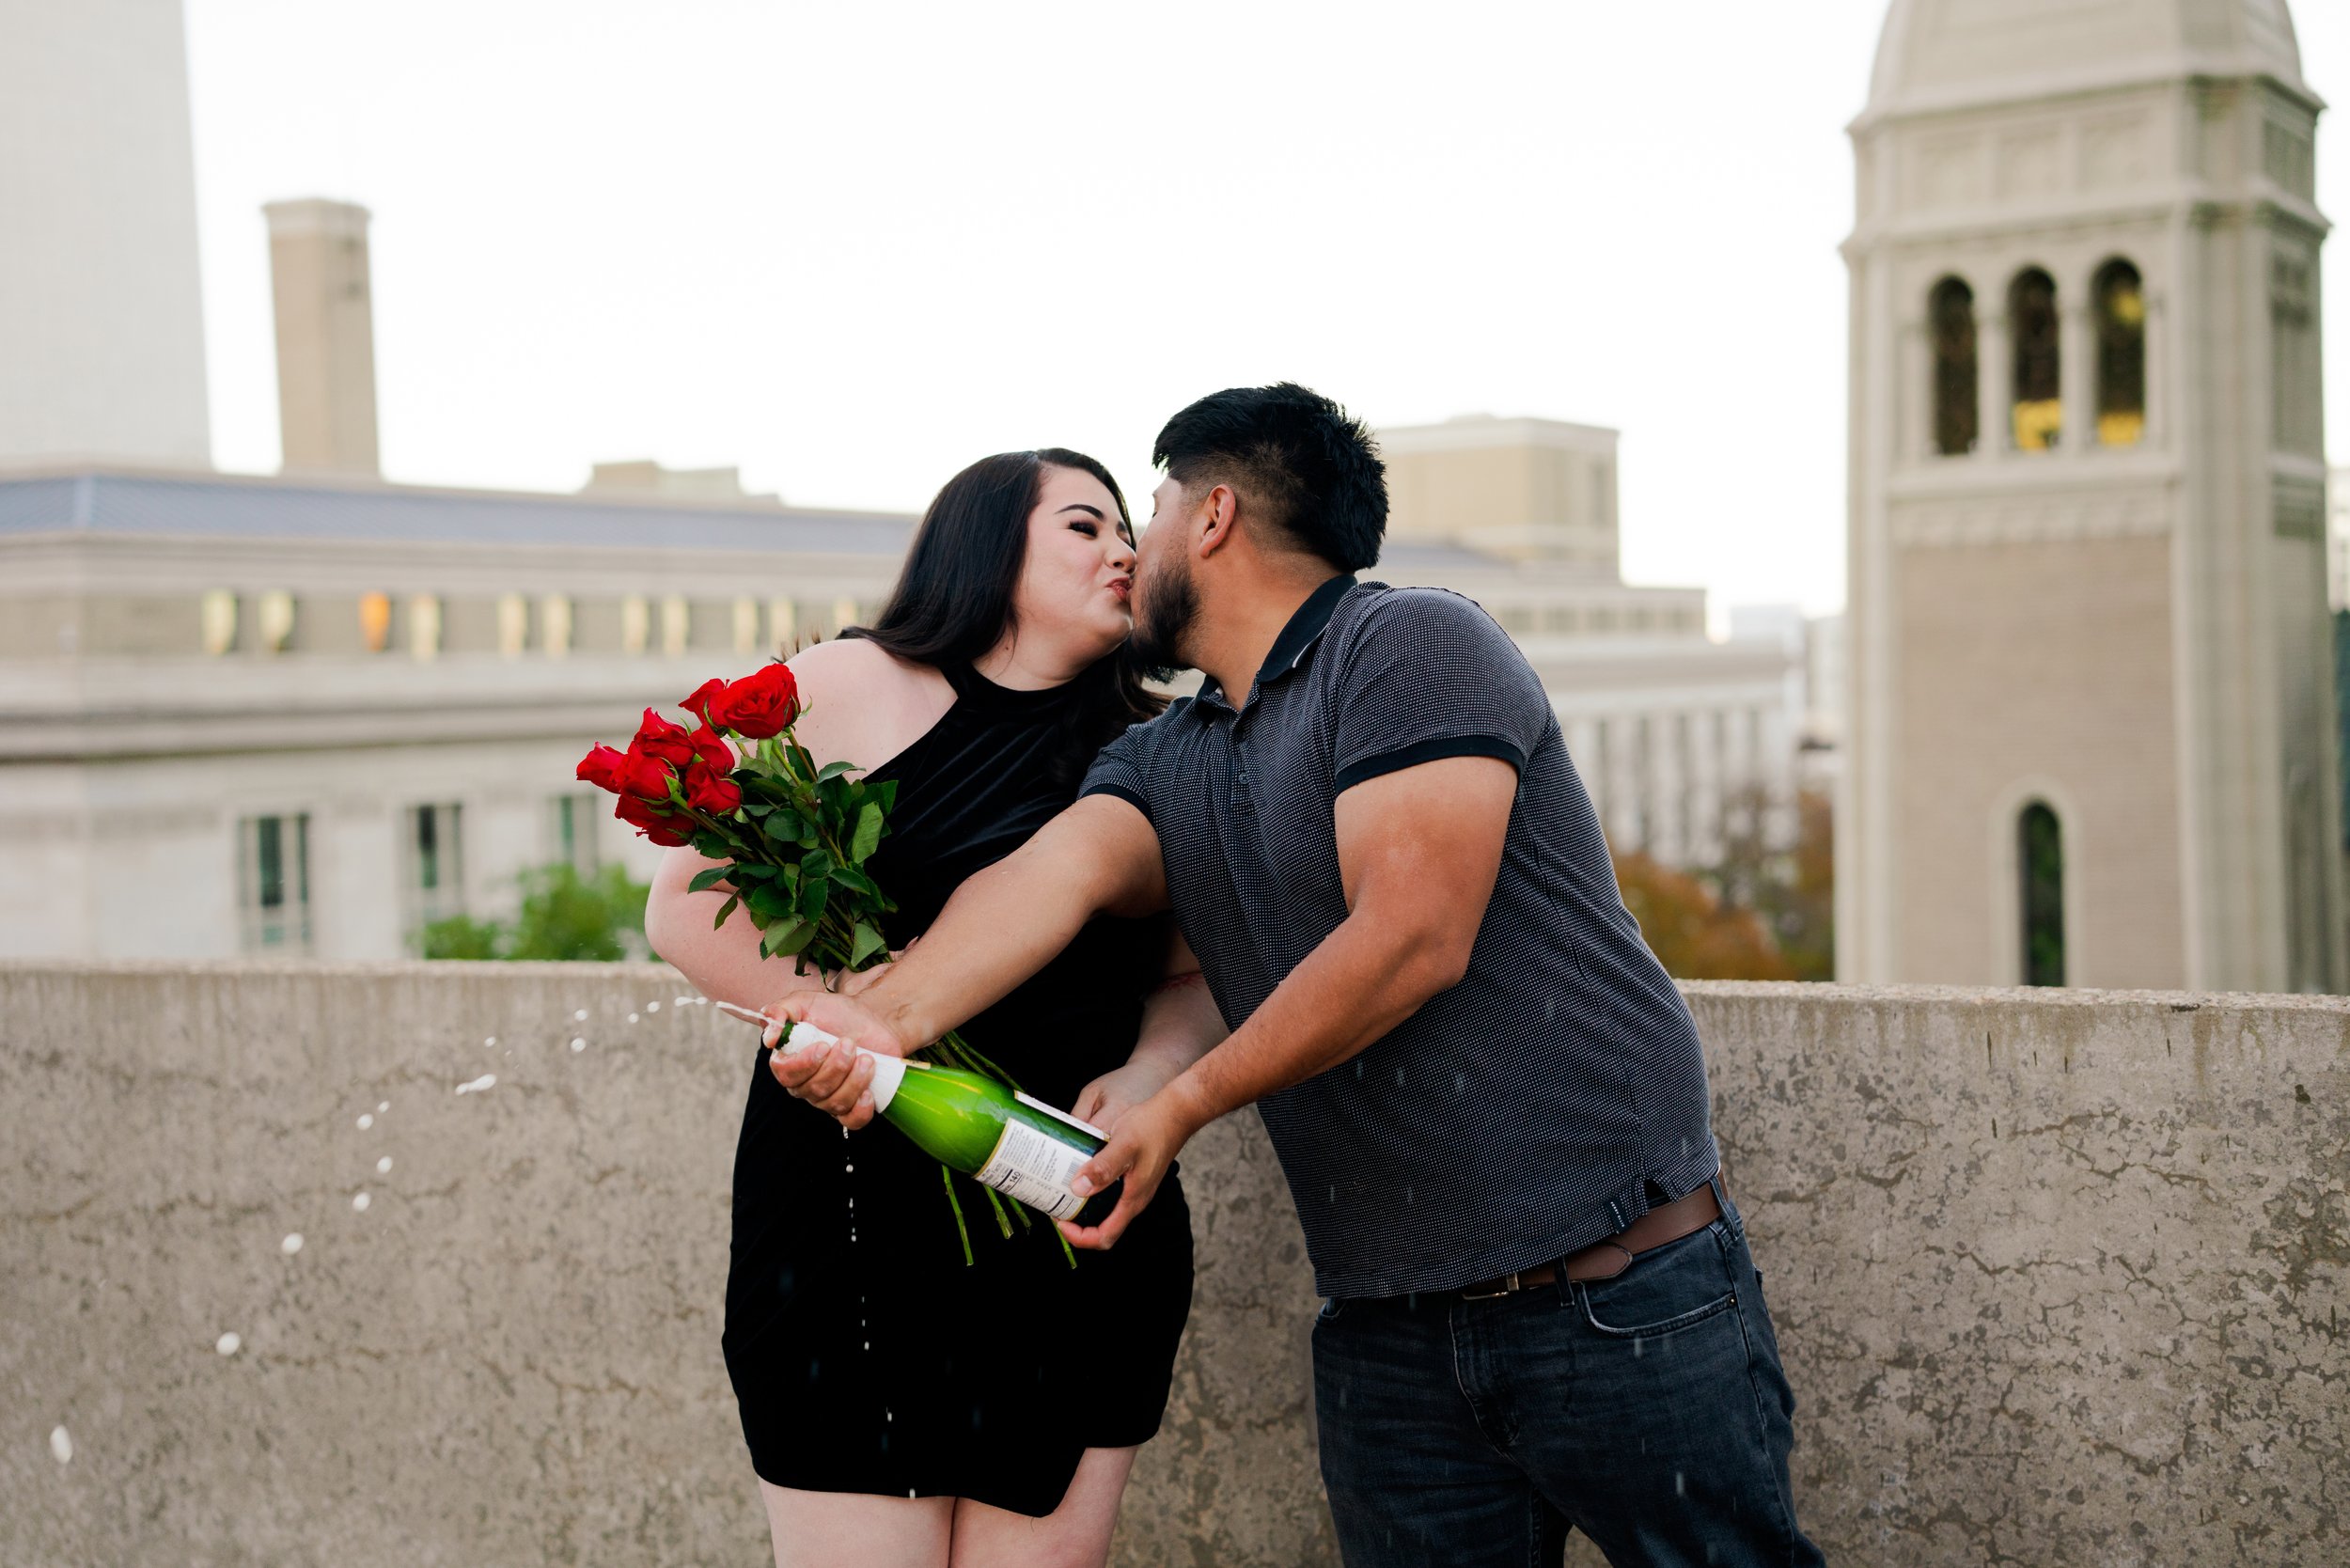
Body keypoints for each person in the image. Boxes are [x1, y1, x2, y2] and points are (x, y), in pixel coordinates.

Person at [768, 385, 1825, 1568]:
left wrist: (1179, 1101)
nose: (1133, 548)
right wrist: (873, 1027)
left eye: (1150, 509)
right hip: (1387, 1337)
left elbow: (1412, 936)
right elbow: (1043, 880)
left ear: (1211, 516)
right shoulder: (1168, 754)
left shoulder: (1409, 644)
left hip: (1619, 1294)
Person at [642, 449, 1224, 1568]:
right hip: (848, 1216)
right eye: (1082, 526)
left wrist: (1155, 1074)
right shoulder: (851, 683)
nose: (1123, 550)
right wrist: (842, 1032)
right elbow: (683, 910)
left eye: (1127, 532)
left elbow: (1198, 978)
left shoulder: (1167, 749)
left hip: (1069, 1206)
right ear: (984, 544)